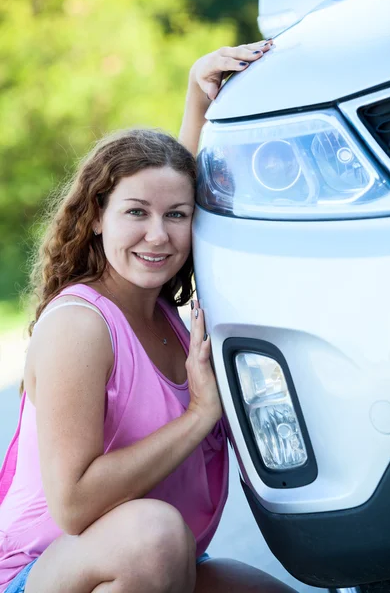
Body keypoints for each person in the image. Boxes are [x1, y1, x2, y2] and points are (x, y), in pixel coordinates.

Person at [0, 40, 295, 593]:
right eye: (134, 213)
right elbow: (72, 504)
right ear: (94, 218)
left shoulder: (161, 306)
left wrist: (196, 97)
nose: (157, 235)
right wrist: (198, 415)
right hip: (44, 570)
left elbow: (168, 184)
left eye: (177, 217)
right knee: (155, 533)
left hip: (159, 561)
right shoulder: (79, 326)